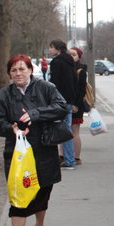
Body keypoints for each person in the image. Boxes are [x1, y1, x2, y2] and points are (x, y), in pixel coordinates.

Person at [0, 54, 68, 226]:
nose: (18, 73)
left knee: (41, 191)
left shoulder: (46, 88)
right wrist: (12, 128)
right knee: (19, 194)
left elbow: (62, 108)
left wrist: (35, 113)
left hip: (43, 149)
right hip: (16, 153)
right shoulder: (2, 96)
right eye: (14, 70)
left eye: (22, 69)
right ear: (9, 73)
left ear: (30, 70)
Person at [48, 39, 77, 169]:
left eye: (51, 47)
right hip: (69, 100)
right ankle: (69, 159)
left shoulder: (56, 62)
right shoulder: (70, 61)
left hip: (59, 101)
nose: (50, 50)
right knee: (67, 130)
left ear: (58, 49)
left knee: (60, 131)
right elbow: (73, 82)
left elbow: (54, 84)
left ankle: (68, 161)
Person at [69, 47, 88, 165]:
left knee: (75, 132)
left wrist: (75, 104)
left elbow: (81, 90)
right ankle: (65, 155)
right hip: (68, 104)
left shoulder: (81, 70)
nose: (71, 56)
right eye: (69, 54)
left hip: (76, 106)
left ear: (79, 57)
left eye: (74, 55)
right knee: (66, 132)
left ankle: (76, 157)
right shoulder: (67, 68)